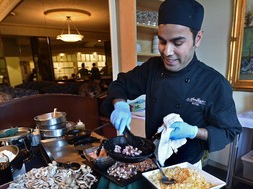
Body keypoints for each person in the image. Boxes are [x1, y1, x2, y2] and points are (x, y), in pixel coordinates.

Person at [103, 0, 242, 168]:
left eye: (177, 43)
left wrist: (193, 131)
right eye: (162, 41)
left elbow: (229, 132)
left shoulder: (214, 83)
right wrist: (120, 105)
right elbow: (121, 84)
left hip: (187, 167)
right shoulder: (152, 68)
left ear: (197, 38)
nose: (167, 52)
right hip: (151, 160)